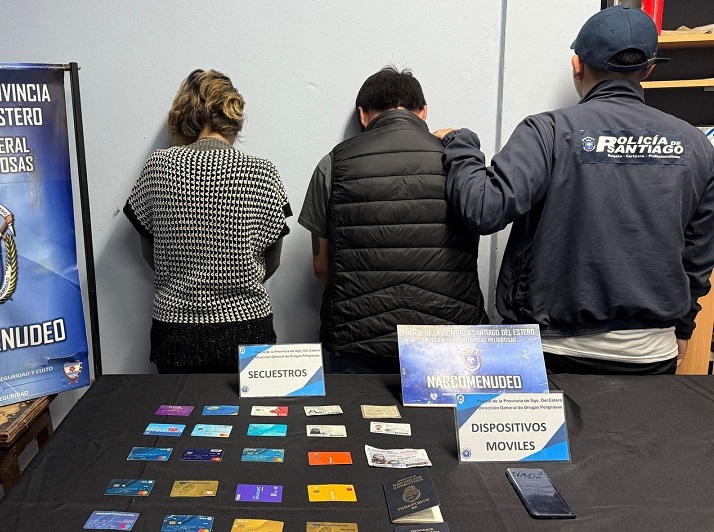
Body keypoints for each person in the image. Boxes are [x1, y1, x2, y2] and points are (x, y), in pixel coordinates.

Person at [434, 6, 714, 375]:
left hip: (551, 352)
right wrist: (684, 327)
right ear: (648, 69)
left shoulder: (549, 131)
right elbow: (698, 256)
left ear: (577, 65)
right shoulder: (697, 144)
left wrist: (460, 145)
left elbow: (483, 209)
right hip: (649, 356)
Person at [299, 66, 488, 374]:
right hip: (450, 344)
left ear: (363, 115)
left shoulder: (333, 163)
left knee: (358, 407)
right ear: (423, 112)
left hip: (357, 343)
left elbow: (322, 267)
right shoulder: (460, 162)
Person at [124, 69, 291, 374]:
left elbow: (150, 252)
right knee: (249, 409)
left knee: (177, 407)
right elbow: (273, 259)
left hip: (176, 331)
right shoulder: (262, 172)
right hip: (248, 328)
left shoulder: (158, 167)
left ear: (185, 112)